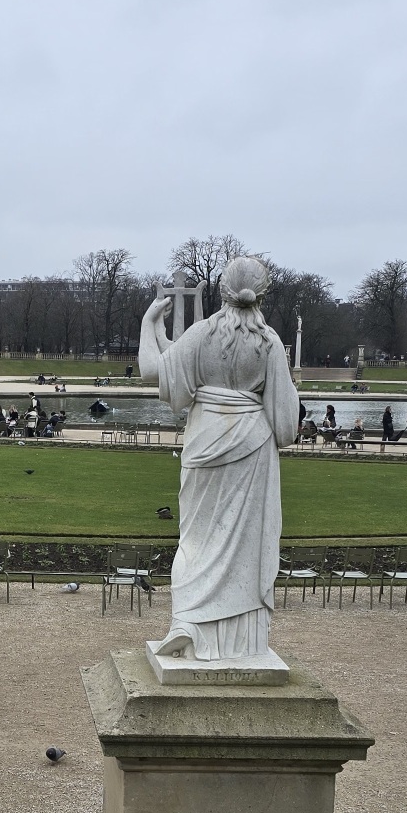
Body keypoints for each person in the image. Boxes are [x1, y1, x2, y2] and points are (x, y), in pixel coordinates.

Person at [138, 254, 298, 662]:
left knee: (196, 539)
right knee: (244, 543)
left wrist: (148, 322)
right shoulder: (270, 343)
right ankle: (241, 642)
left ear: (222, 290)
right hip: (252, 449)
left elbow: (154, 370)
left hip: (204, 444)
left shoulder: (202, 334)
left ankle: (187, 624)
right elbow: (285, 425)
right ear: (261, 294)